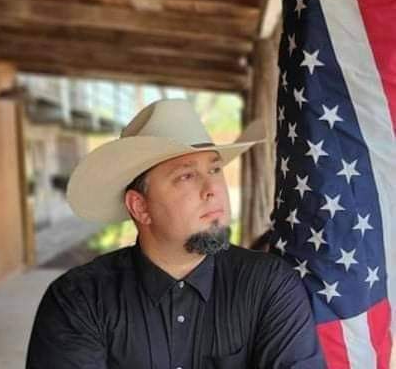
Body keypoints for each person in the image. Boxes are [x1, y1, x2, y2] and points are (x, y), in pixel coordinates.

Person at [26, 99, 326, 368]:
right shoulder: (79, 299)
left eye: (215, 170)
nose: (212, 190)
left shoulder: (269, 284)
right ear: (140, 206)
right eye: (186, 176)